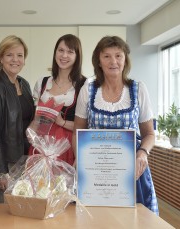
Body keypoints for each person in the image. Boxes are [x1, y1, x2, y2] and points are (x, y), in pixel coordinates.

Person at [72, 36, 159, 214]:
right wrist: (80, 160)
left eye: (118, 55)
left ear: (125, 59)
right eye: (107, 56)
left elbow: (149, 134)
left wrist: (143, 153)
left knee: (134, 220)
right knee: (94, 219)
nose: (113, 61)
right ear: (99, 60)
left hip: (132, 172)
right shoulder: (88, 89)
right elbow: (77, 132)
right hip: (95, 171)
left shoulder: (139, 89)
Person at [0, 35, 35, 203]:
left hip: (25, 160)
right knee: (2, 213)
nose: (15, 60)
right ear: (1, 58)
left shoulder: (24, 84)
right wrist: (1, 171)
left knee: (21, 210)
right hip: (5, 163)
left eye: (20, 55)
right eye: (9, 55)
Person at [30, 34, 86, 166]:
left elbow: (86, 126)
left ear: (77, 56)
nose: (64, 55)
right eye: (61, 50)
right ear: (55, 52)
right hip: (41, 146)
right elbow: (35, 121)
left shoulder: (84, 85)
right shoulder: (42, 83)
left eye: (70, 52)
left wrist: (62, 122)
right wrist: (30, 133)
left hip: (67, 147)